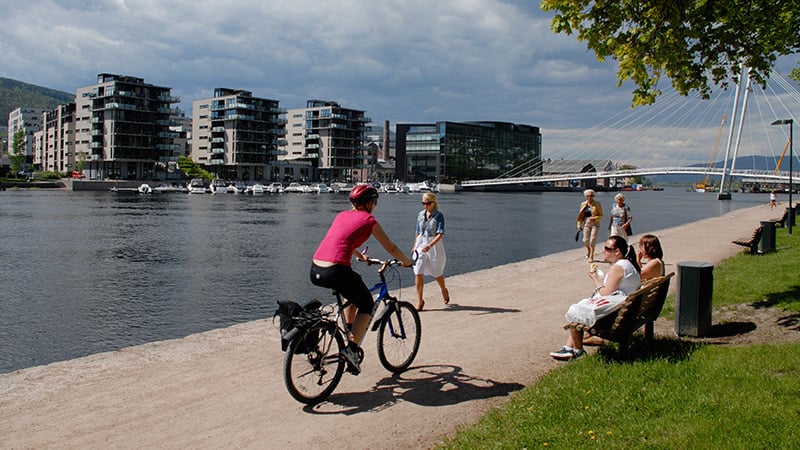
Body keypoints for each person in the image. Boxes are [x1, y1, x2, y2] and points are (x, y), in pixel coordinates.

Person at [310, 184, 414, 374]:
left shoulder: (341, 215)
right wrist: (407, 261)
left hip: (316, 267)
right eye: (374, 202)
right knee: (366, 302)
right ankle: (351, 349)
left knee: (352, 293)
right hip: (336, 269)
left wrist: (360, 255)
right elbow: (390, 247)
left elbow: (341, 240)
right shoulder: (369, 220)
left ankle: (350, 331)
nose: (375, 205)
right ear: (369, 203)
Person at [550, 235, 641, 360]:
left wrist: (594, 279)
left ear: (617, 251)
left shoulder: (618, 268)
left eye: (607, 248)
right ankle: (570, 348)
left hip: (617, 317)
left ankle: (577, 350)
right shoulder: (627, 265)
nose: (603, 251)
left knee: (577, 309)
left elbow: (605, 293)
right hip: (627, 312)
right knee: (581, 306)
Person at [412, 192, 449, 311]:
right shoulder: (420, 215)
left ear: (433, 203)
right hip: (420, 244)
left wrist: (430, 245)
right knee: (418, 271)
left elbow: (440, 233)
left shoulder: (439, 216)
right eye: (423, 203)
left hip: (433, 245)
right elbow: (418, 231)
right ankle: (420, 301)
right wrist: (414, 245)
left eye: (427, 203)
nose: (425, 206)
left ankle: (443, 290)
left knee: (437, 272)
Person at [576, 189, 604, 261]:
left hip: (595, 223)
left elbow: (601, 215)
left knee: (593, 240)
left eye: (591, 196)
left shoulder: (597, 204)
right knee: (585, 240)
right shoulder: (583, 204)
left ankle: (591, 256)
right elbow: (581, 216)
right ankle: (588, 249)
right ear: (585, 196)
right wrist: (579, 225)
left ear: (594, 196)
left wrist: (595, 218)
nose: (590, 197)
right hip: (586, 223)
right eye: (588, 196)